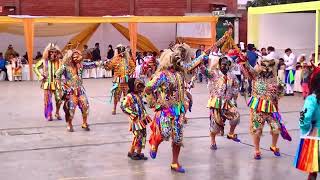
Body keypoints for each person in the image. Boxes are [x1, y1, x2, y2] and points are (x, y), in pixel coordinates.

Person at [145, 43, 205, 173]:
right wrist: (153, 101)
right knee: (165, 133)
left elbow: (191, 65)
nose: (176, 63)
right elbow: (148, 88)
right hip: (165, 110)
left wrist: (204, 54)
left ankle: (175, 162)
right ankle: (154, 142)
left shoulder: (180, 74)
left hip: (178, 111)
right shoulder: (162, 75)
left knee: (178, 138)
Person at [239, 53, 292, 160]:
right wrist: (244, 61)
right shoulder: (256, 75)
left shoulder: (276, 79)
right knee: (257, 129)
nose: (267, 69)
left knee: (276, 128)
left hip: (272, 109)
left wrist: (278, 89)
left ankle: (273, 146)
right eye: (264, 66)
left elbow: (281, 92)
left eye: (269, 66)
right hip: (258, 108)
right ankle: (257, 150)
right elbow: (248, 69)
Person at [206, 56, 240, 150]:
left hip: (227, 102)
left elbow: (236, 85)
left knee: (236, 116)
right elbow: (205, 72)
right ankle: (213, 141)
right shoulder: (214, 73)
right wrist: (200, 63)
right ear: (219, 64)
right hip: (216, 102)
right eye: (223, 64)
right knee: (216, 124)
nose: (225, 66)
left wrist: (235, 95)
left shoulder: (231, 75)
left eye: (227, 65)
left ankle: (231, 133)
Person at [294, 67, 320, 180]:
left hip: (316, 135)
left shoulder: (312, 99)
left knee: (313, 170)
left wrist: (306, 130)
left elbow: (304, 118)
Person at [56, 49, 90, 132]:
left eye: (77, 57)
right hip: (70, 91)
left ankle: (84, 123)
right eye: (74, 57)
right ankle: (69, 124)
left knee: (86, 106)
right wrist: (61, 86)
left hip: (80, 90)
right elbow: (57, 75)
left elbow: (91, 65)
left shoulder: (81, 65)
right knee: (71, 109)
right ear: (70, 58)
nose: (76, 59)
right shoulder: (65, 67)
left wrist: (103, 63)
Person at [121, 78, 151, 160]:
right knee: (137, 136)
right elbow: (123, 106)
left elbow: (142, 105)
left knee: (143, 135)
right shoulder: (129, 96)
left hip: (142, 119)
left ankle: (138, 152)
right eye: (138, 86)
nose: (140, 88)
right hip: (135, 120)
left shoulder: (139, 95)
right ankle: (131, 152)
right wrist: (132, 113)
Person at [34, 43, 63, 121]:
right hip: (47, 83)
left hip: (57, 83)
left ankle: (57, 112)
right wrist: (40, 76)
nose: (53, 54)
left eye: (55, 52)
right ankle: (49, 114)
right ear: (48, 52)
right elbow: (35, 68)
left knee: (59, 99)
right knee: (48, 99)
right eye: (51, 52)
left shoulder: (59, 61)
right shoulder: (44, 61)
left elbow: (65, 69)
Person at [104, 44, 135, 115]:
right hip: (118, 82)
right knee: (116, 95)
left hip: (126, 82)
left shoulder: (128, 59)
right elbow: (108, 67)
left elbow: (133, 66)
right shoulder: (115, 59)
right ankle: (114, 108)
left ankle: (127, 108)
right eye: (120, 51)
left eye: (123, 51)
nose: (122, 53)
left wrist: (130, 72)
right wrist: (106, 63)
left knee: (127, 96)